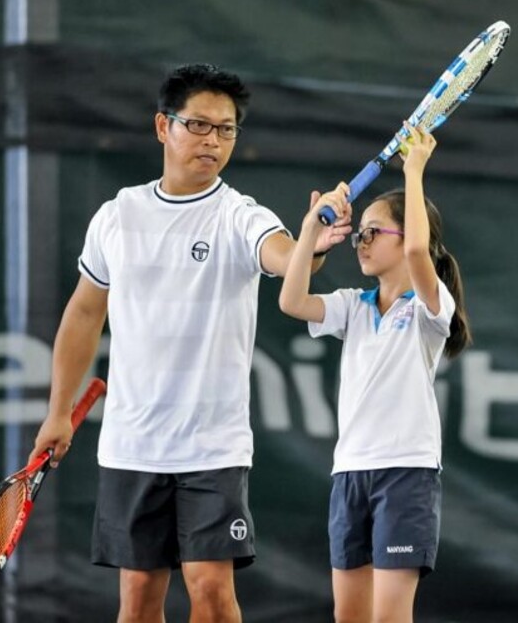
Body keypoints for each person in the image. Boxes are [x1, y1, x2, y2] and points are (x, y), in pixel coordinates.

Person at [28, 63, 349, 623]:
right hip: (133, 443)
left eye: (226, 130)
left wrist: (311, 245)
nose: (213, 141)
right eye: (199, 125)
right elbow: (83, 312)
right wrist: (58, 412)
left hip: (212, 446)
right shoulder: (116, 217)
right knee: (137, 598)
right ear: (163, 126)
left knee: (211, 592)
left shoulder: (241, 216)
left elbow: (282, 255)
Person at [278, 123, 471, 623]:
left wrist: (414, 171)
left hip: (406, 474)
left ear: (408, 238)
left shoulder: (430, 308)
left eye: (372, 232)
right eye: (358, 234)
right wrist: (310, 233)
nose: (360, 242)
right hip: (349, 473)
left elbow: (416, 252)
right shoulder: (353, 306)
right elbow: (291, 300)